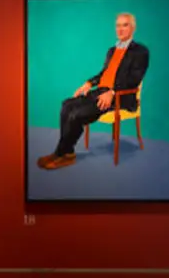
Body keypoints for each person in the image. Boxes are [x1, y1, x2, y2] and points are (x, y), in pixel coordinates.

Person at [37, 12, 150, 170]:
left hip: (119, 97)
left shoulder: (140, 52)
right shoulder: (112, 50)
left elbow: (134, 79)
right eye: (118, 25)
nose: (120, 29)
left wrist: (112, 92)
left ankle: (60, 154)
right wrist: (89, 83)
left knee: (77, 115)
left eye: (125, 25)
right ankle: (66, 153)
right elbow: (103, 73)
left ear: (133, 28)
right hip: (100, 91)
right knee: (67, 105)